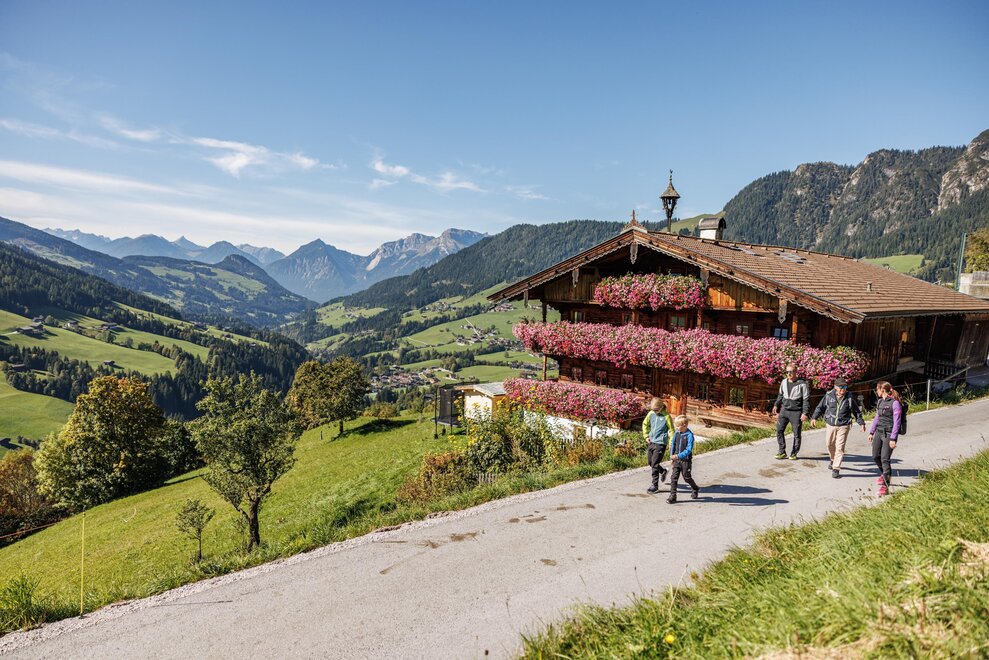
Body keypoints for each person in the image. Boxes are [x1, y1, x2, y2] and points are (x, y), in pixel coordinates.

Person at [810, 378, 866, 478]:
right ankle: (833, 459)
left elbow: (856, 412)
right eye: (841, 387)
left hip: (844, 425)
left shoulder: (849, 397)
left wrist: (861, 423)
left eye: (845, 387)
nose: (843, 389)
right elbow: (820, 407)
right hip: (831, 424)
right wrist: (814, 417)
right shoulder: (829, 395)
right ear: (835, 387)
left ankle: (836, 468)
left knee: (840, 447)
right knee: (829, 444)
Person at [868, 381, 903, 496]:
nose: (876, 391)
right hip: (879, 432)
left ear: (882, 390)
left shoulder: (895, 403)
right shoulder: (880, 401)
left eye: (877, 389)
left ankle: (886, 486)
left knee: (885, 459)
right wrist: (871, 432)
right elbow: (877, 418)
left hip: (889, 433)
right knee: (875, 456)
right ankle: (884, 473)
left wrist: (893, 438)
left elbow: (897, 422)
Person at [772, 363, 810, 460]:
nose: (789, 374)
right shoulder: (784, 382)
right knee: (779, 431)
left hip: (796, 412)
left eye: (791, 372)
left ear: (796, 372)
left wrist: (805, 413)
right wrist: (776, 405)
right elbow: (780, 395)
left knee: (796, 434)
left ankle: (794, 453)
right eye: (787, 372)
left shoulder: (802, 383)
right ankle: (782, 451)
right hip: (784, 410)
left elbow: (806, 399)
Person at [643, 397, 674, 493]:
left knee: (655, 464)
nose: (655, 411)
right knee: (650, 462)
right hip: (651, 441)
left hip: (661, 443)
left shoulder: (666, 416)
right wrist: (646, 435)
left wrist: (671, 443)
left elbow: (671, 430)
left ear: (661, 407)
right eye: (653, 409)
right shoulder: (651, 414)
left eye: (656, 410)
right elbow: (645, 424)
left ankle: (655, 486)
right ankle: (663, 471)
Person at [667, 415, 700, 504]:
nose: (676, 428)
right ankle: (673, 496)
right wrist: (672, 457)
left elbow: (688, 450)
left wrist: (678, 456)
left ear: (685, 425)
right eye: (676, 426)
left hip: (686, 461)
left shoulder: (689, 435)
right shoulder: (676, 433)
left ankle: (695, 488)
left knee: (687, 477)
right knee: (674, 478)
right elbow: (673, 445)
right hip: (676, 460)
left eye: (678, 426)